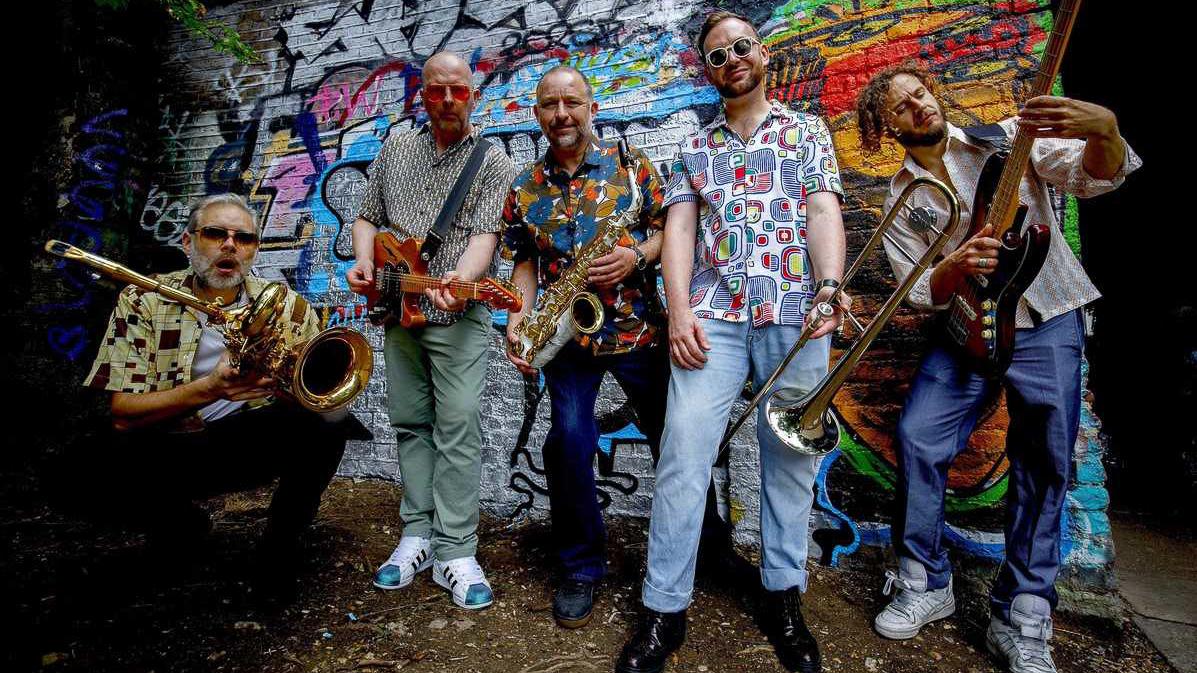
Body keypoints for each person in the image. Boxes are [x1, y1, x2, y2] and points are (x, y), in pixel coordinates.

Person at [854, 62, 1141, 673]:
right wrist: (954, 265)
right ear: (886, 128)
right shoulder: (903, 199)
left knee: (1045, 462)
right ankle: (925, 581)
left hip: (1046, 316)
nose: (919, 106)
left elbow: (1094, 177)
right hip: (963, 332)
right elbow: (918, 292)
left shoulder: (1006, 139)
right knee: (919, 436)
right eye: (901, 106)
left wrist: (1106, 128)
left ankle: (1022, 615)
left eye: (920, 93)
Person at [616, 11, 847, 673]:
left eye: (741, 47)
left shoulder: (806, 131)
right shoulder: (693, 146)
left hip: (795, 311)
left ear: (761, 53)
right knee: (682, 454)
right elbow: (680, 233)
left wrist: (829, 287)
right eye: (717, 55)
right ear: (708, 71)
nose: (732, 59)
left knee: (790, 460)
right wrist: (678, 312)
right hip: (713, 316)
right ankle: (663, 609)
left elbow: (822, 209)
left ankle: (782, 597)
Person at [502, 65, 733, 629]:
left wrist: (637, 256)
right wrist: (519, 317)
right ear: (537, 114)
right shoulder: (523, 187)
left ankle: (710, 549)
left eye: (572, 102)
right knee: (568, 444)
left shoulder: (632, 167)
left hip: (639, 330)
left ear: (592, 108)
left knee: (679, 443)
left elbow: (675, 230)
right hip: (569, 337)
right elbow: (525, 261)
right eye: (550, 104)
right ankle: (581, 567)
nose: (562, 114)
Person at [81, 193, 353, 601]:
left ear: (254, 250)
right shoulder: (144, 300)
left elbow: (319, 399)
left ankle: (280, 548)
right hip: (169, 445)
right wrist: (209, 389)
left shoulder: (286, 306)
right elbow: (122, 413)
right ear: (188, 241)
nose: (230, 245)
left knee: (330, 427)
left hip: (243, 442)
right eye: (215, 234)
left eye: (243, 238)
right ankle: (178, 527)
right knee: (79, 471)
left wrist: (291, 385)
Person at [346, 51, 516, 610]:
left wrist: (461, 280)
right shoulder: (396, 147)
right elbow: (367, 216)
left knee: (458, 425)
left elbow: (485, 237)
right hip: (397, 310)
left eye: (458, 91)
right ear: (421, 95)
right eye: (436, 91)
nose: (447, 100)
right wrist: (364, 261)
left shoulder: (492, 160)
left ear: (474, 95)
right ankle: (417, 533)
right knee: (411, 424)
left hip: (457, 315)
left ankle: (456, 550)